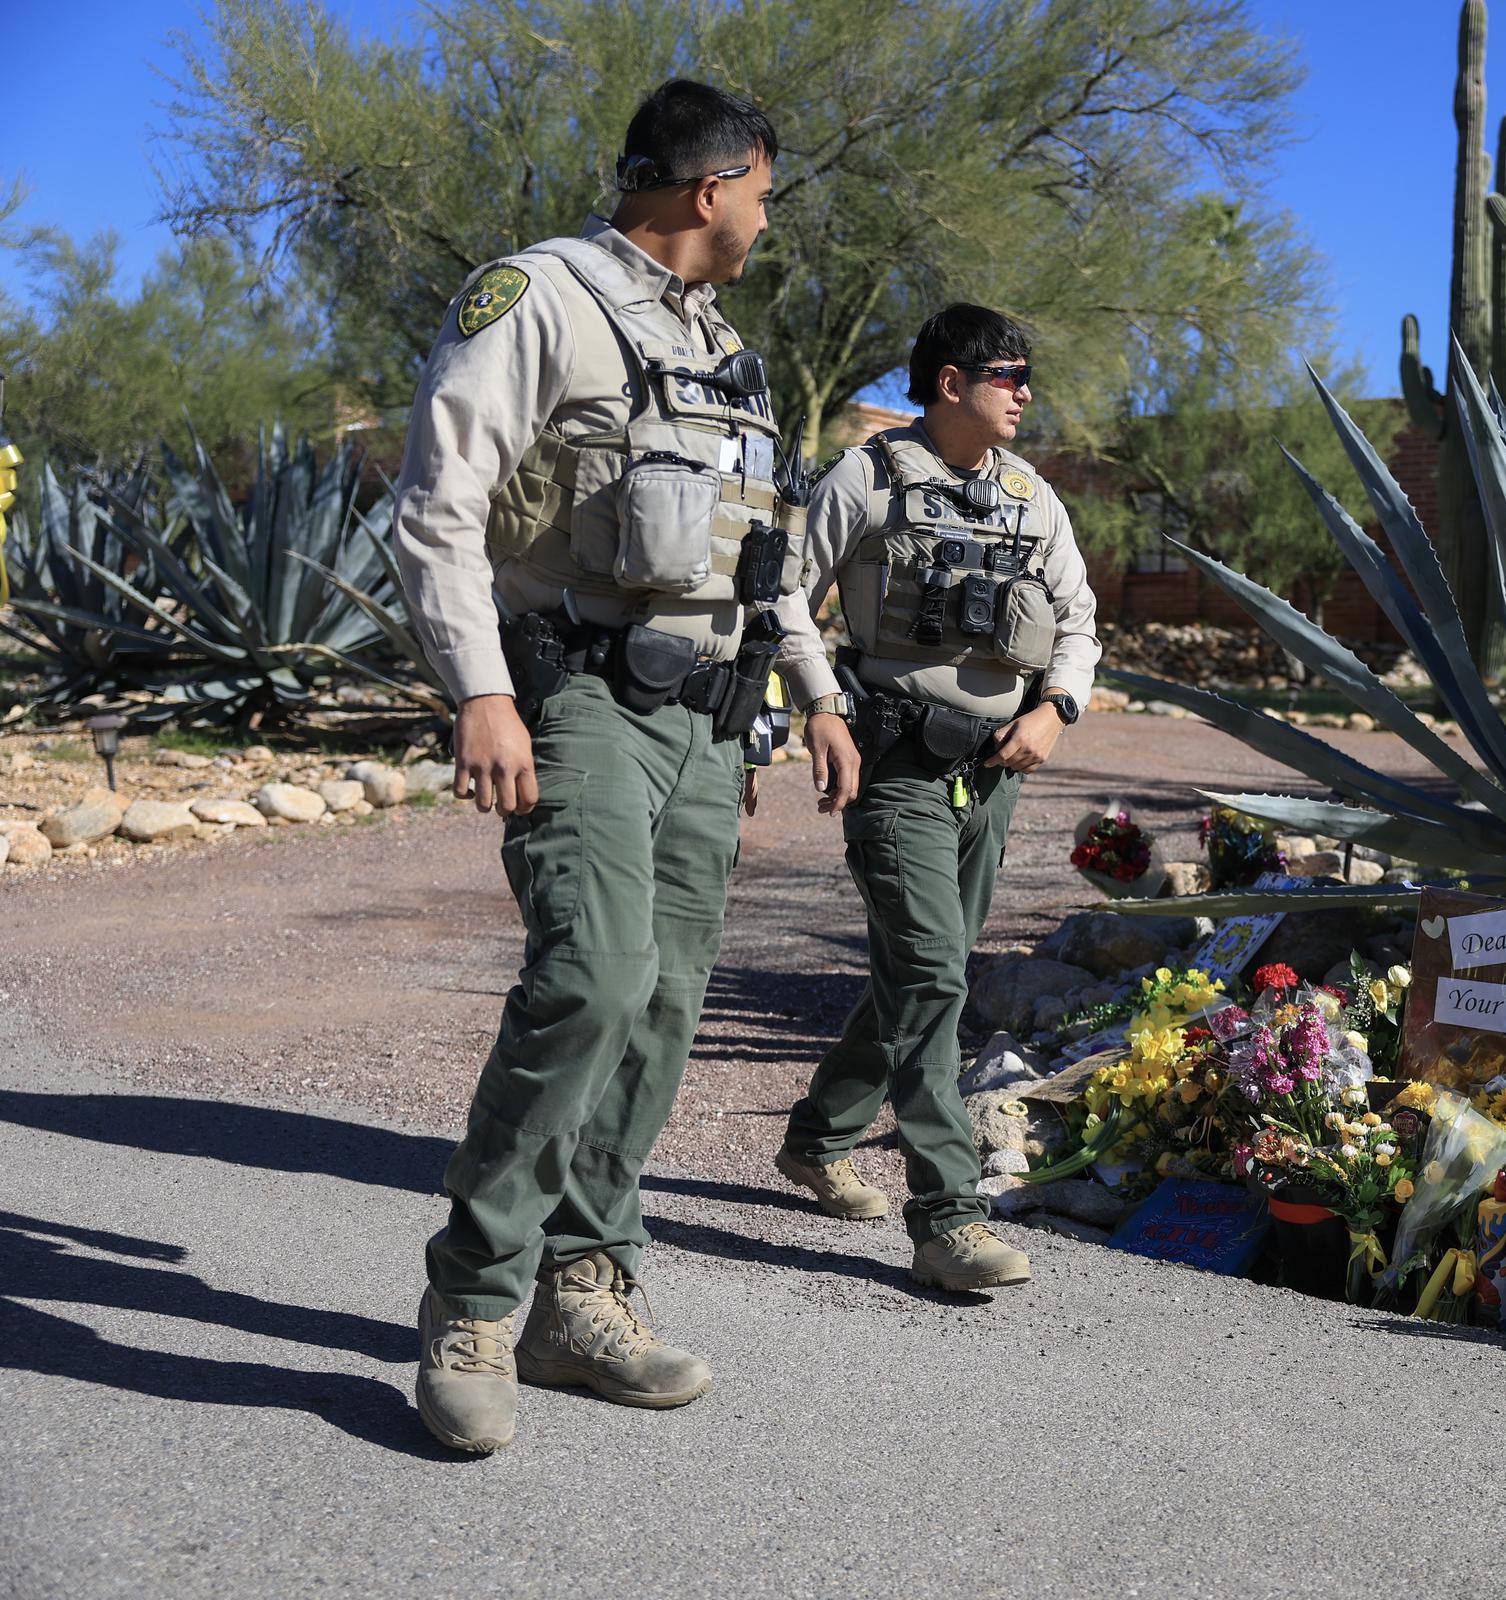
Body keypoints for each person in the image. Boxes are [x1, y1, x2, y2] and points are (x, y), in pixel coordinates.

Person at [391, 78, 797, 1454]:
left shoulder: (720, 347)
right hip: (571, 697)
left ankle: (585, 1293)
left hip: (701, 726)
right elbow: (435, 512)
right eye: (762, 192)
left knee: (665, 1002)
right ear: (713, 186)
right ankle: (474, 1303)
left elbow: (753, 546)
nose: (764, 217)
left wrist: (775, 706)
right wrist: (482, 694)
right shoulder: (539, 298)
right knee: (592, 977)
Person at [771, 303, 1100, 1292]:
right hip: (896, 764)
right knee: (930, 973)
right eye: (1008, 373)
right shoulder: (867, 477)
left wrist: (1057, 710)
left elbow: (1080, 621)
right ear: (951, 384)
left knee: (931, 968)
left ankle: (816, 1135)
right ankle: (948, 1216)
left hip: (994, 772)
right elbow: (786, 589)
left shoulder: (1033, 498)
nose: (1025, 391)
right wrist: (820, 704)